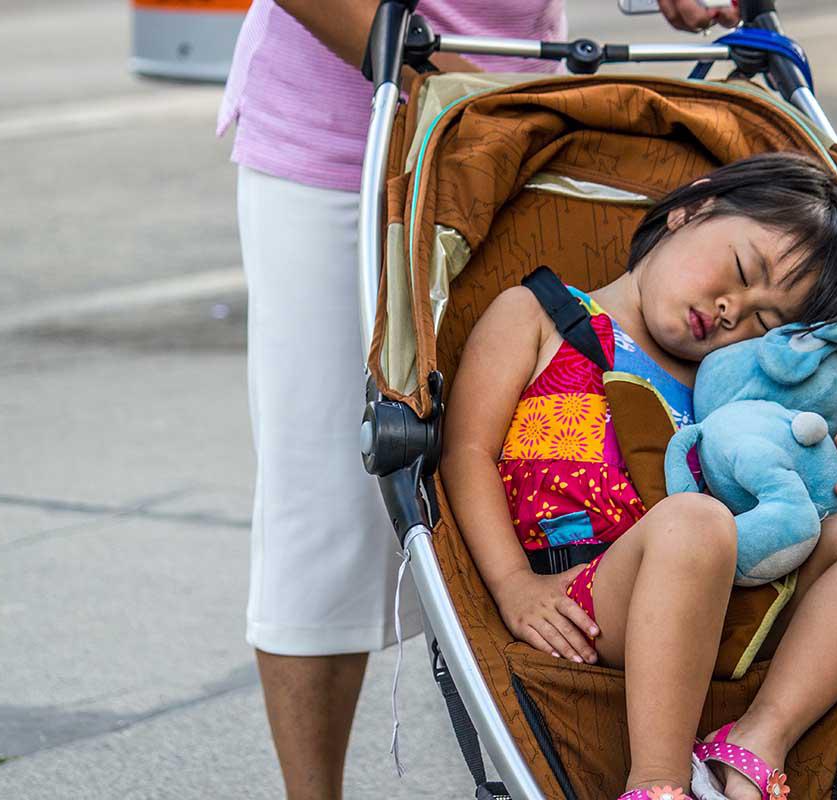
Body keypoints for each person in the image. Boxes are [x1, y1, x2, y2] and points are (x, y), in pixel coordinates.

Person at [218, 1, 740, 797]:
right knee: (325, 509)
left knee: (533, 435)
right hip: (347, 131)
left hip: (506, 126)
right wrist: (424, 75)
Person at [440, 153, 837, 800]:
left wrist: (834, 491)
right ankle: (658, 783)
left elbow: (775, 487)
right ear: (690, 209)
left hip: (736, 585)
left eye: (767, 322)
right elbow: (465, 452)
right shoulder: (539, 316)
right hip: (597, 589)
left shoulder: (734, 387)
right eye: (742, 272)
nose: (734, 311)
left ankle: (760, 736)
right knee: (695, 521)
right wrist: (512, 585)